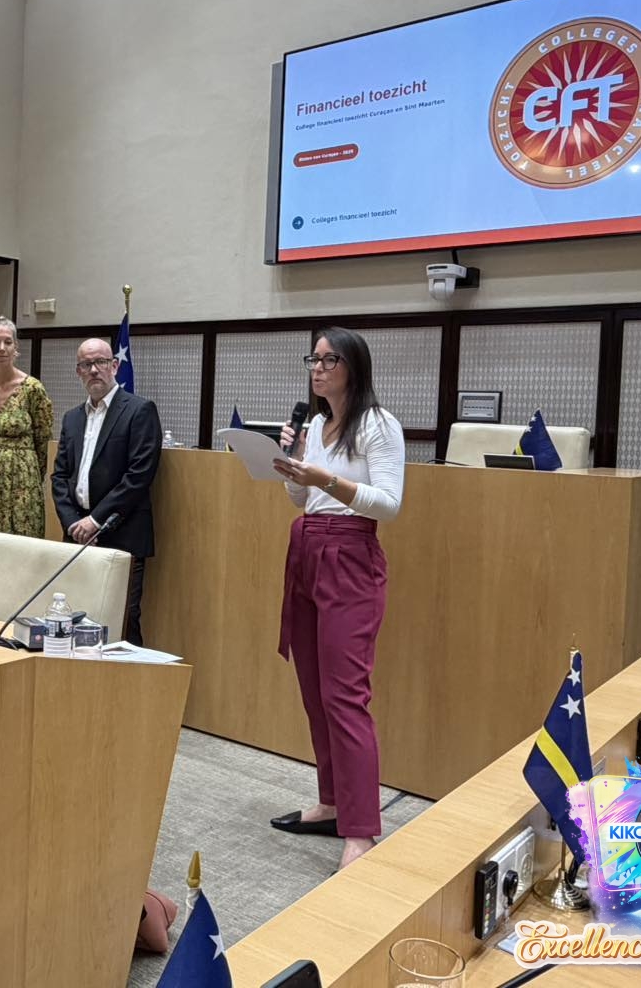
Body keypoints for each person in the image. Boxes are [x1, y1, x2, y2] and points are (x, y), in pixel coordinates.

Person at [267, 327, 405, 873]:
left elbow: (388, 504)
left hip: (350, 554)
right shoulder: (316, 425)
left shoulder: (378, 424)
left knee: (346, 696)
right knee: (314, 689)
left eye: (330, 360)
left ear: (354, 367)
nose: (318, 369)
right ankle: (331, 802)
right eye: (315, 360)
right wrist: (293, 466)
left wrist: (326, 478)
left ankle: (361, 830)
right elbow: (301, 498)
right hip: (307, 547)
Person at [51, 338, 162, 645]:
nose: (94, 370)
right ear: (78, 372)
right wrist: (73, 524)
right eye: (86, 365)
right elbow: (60, 477)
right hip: (77, 536)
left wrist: (95, 521)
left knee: (121, 624)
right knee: (76, 621)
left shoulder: (139, 410)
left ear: (114, 366)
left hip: (121, 534)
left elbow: (139, 475)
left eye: (100, 362)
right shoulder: (72, 418)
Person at [0, 315, 54, 537]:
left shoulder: (32, 389)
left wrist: (25, 472)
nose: (2, 348)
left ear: (16, 347)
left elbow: (43, 442)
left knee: (21, 544)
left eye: (8, 342)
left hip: (21, 482)